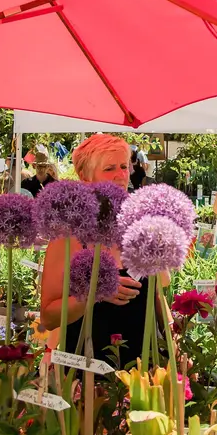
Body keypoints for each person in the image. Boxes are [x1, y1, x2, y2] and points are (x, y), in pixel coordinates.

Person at [37, 133, 150, 365]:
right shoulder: (67, 234)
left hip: (141, 364)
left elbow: (155, 295)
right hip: (87, 368)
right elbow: (48, 317)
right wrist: (96, 292)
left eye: (123, 166)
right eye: (109, 169)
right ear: (84, 176)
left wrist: (172, 339)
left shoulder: (136, 224)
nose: (121, 176)